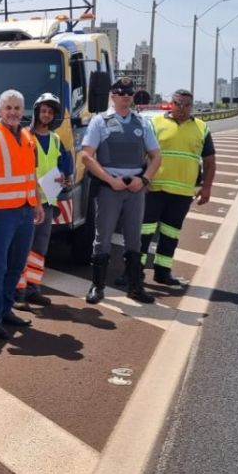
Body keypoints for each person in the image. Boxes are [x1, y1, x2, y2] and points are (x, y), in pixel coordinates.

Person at [0, 89, 47, 340]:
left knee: (17, 264)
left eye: (17, 108)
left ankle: (5, 310)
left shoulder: (27, 136)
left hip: (25, 210)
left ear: (23, 110)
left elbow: (31, 175)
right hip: (1, 214)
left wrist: (36, 202)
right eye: (8, 108)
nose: (13, 112)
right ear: (0, 110)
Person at [79, 77, 162, 305]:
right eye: (120, 92)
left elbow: (156, 156)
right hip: (110, 187)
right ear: (112, 96)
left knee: (134, 238)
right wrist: (109, 179)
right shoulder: (100, 122)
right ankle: (97, 286)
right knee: (103, 237)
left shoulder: (142, 123)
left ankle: (135, 287)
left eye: (129, 93)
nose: (126, 96)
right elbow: (86, 155)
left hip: (135, 187)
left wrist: (144, 179)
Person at [136, 89, 216, 286]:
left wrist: (206, 188)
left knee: (171, 234)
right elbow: (140, 154)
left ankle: (163, 272)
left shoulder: (201, 128)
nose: (181, 108)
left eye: (186, 104)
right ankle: (134, 271)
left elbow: (210, 161)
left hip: (182, 192)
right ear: (170, 103)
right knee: (143, 232)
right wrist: (141, 179)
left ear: (192, 106)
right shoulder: (155, 123)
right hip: (153, 188)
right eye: (177, 103)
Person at [14, 93, 74, 310]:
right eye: (43, 110)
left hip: (47, 201)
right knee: (22, 247)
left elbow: (66, 169)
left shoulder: (57, 139)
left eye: (50, 112)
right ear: (36, 111)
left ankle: (33, 290)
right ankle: (17, 293)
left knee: (40, 248)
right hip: (26, 201)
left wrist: (66, 178)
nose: (46, 115)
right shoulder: (24, 136)